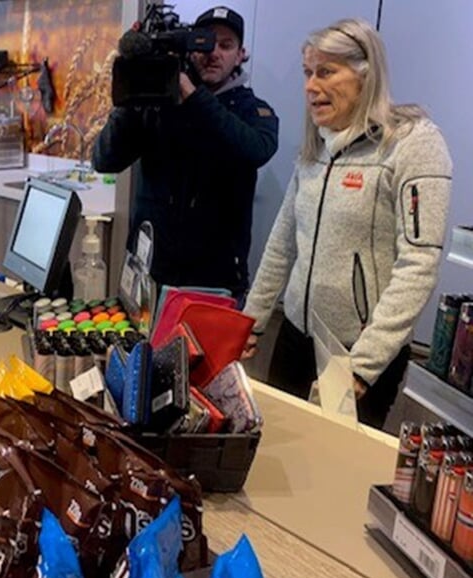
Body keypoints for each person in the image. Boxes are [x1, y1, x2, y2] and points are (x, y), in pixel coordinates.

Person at [243, 18, 452, 430]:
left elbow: (419, 263)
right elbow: (283, 241)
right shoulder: (318, 146)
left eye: (325, 71)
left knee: (334, 474)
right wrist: (252, 320)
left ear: (365, 73)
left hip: (355, 351)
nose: (310, 85)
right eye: (307, 72)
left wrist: (363, 366)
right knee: (276, 453)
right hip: (295, 336)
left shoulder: (412, 143)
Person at [93, 6, 279, 301]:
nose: (214, 52)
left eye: (226, 45)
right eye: (203, 43)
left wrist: (193, 96)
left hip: (214, 281)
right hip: (149, 273)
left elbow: (254, 150)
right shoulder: (159, 104)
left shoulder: (254, 111)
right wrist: (131, 95)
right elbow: (104, 160)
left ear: (241, 54)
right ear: (189, 50)